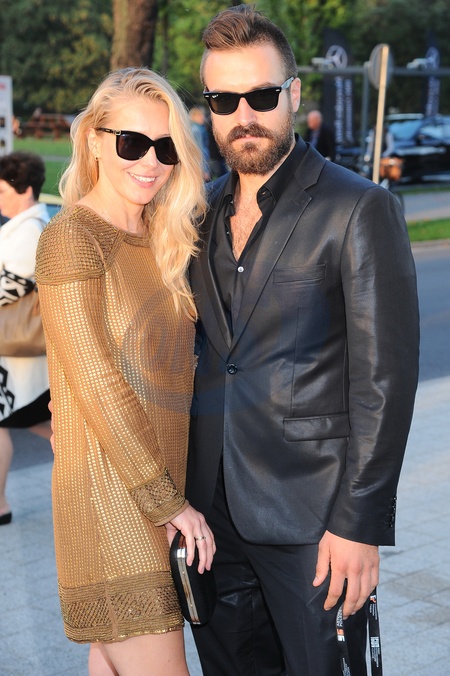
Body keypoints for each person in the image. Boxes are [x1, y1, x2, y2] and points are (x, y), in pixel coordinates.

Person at [186, 5, 420, 675]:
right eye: (224, 100)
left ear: (293, 95)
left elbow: (384, 382)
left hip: (314, 521)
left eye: (261, 96)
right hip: (211, 518)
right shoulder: (196, 213)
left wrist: (359, 524)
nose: (244, 116)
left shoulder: (357, 207)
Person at [35, 67, 215, 676]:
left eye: (165, 147)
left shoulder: (163, 236)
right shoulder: (71, 238)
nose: (150, 162)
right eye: (132, 143)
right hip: (110, 497)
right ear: (93, 140)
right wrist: (169, 505)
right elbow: (96, 381)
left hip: (154, 487)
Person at [0, 151, 51, 526]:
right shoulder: (25, 225)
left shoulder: (31, 229)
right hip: (18, 354)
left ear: (26, 189)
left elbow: (11, 286)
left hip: (21, 355)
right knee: (40, 424)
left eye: (3, 191)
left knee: (8, 422)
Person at [189, 105, 211, 181]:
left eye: (203, 115)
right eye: (199, 115)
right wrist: (205, 170)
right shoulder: (197, 130)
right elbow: (200, 151)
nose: (203, 117)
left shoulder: (199, 128)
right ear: (193, 116)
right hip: (200, 168)